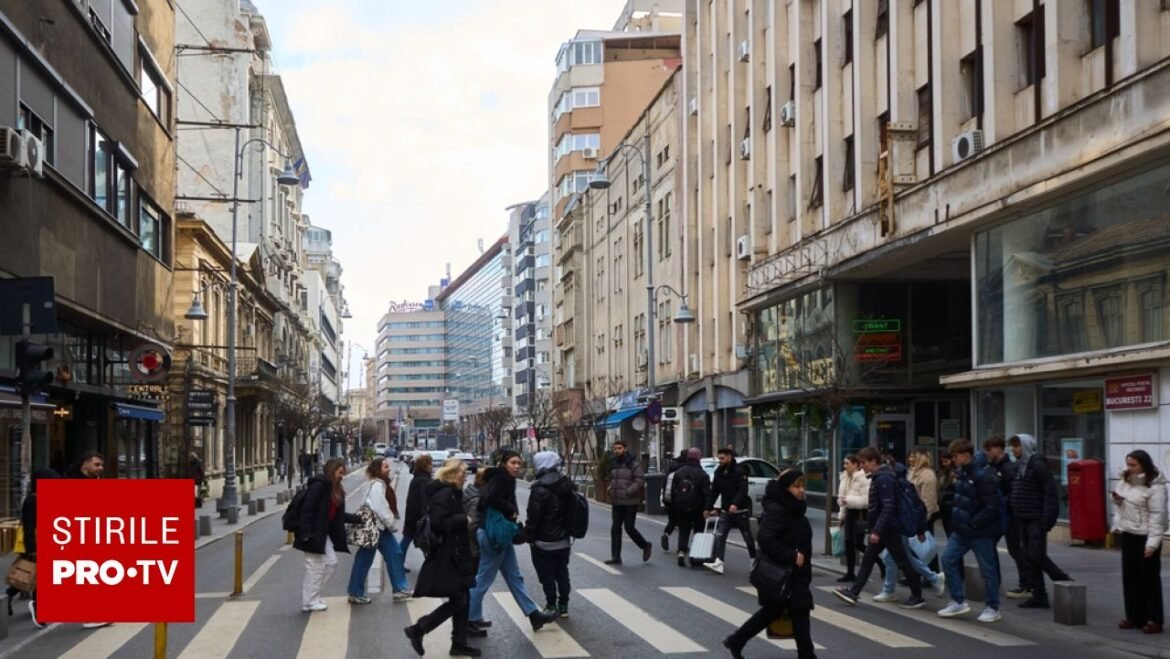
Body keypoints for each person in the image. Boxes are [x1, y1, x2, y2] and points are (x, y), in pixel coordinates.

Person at [723, 469, 816, 659]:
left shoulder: (794, 507)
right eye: (796, 486)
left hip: (794, 572)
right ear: (785, 488)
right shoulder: (778, 509)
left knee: (774, 611)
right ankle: (807, 655)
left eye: (802, 485)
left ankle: (736, 640)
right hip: (783, 571)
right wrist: (791, 556)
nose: (801, 490)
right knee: (799, 611)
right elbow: (765, 538)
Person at [468, 450, 557, 632]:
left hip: (500, 535)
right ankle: (467, 618)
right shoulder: (502, 478)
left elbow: (486, 501)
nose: (517, 466)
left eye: (519, 463)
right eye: (513, 463)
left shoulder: (500, 477)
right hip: (494, 536)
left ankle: (533, 614)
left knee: (514, 576)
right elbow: (490, 499)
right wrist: (510, 510)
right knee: (483, 579)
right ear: (504, 464)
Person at [832, 446, 925, 609]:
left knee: (902, 561)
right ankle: (853, 592)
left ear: (873, 462)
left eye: (864, 463)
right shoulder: (881, 477)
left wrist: (877, 531)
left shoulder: (884, 479)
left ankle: (917, 595)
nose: (862, 466)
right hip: (884, 528)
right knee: (869, 560)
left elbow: (888, 507)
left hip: (888, 529)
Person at [405, 458, 480, 657]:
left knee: (463, 597)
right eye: (463, 473)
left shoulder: (453, 492)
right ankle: (419, 629)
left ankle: (459, 642)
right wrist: (463, 519)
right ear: (453, 474)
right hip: (449, 554)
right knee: (460, 600)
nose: (465, 477)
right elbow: (438, 523)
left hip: (457, 553)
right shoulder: (445, 494)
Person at [937, 439, 1004, 623]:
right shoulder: (961, 473)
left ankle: (993, 607)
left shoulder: (982, 476)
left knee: (987, 570)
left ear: (966, 455)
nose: (953, 460)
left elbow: (991, 506)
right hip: (961, 530)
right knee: (948, 559)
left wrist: (974, 523)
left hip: (980, 532)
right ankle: (957, 600)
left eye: (956, 456)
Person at [1009, 433, 1071, 608]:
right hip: (1023, 517)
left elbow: (1050, 493)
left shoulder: (1037, 465)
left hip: (1036, 518)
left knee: (1036, 555)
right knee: (1030, 557)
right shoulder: (1020, 466)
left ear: (1026, 446)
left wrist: (1047, 520)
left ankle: (1060, 577)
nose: (1014, 450)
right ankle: (1039, 595)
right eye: (1013, 446)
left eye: (1017, 446)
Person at [873, 456, 946, 602]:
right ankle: (890, 589)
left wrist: (920, 529)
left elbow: (918, 507)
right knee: (893, 557)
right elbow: (918, 507)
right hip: (901, 527)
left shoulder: (899, 485)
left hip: (899, 527)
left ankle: (931, 579)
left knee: (901, 557)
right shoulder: (904, 484)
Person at [1112, 449, 1167, 634]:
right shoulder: (1126, 480)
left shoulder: (1155, 486)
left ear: (1144, 465)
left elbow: (1158, 517)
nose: (1130, 468)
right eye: (1128, 464)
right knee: (1130, 577)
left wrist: (1152, 544)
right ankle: (1133, 616)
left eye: (1133, 465)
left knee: (1149, 578)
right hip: (1128, 533)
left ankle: (1153, 619)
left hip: (1145, 535)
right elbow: (1120, 501)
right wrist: (1117, 499)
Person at [295, 457, 360, 612]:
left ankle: (311, 597)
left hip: (323, 534)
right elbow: (307, 509)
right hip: (313, 533)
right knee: (314, 567)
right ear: (332, 471)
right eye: (340, 472)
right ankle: (310, 601)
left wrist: (358, 519)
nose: (342, 476)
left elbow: (338, 515)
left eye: (343, 473)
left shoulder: (335, 490)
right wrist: (305, 532)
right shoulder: (320, 486)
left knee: (330, 563)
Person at [346, 457, 412, 604]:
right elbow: (380, 507)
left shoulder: (377, 484)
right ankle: (357, 592)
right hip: (377, 527)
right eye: (385, 467)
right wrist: (391, 524)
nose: (389, 469)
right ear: (378, 470)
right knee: (389, 555)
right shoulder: (377, 485)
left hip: (377, 527)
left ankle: (398, 589)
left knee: (388, 555)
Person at [524, 450, 575, 617]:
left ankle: (551, 604)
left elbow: (534, 516)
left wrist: (528, 535)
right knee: (562, 572)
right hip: (564, 540)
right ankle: (564, 605)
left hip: (543, 541)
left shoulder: (539, 489)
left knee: (547, 575)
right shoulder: (567, 484)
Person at [7, 469, 57, 627]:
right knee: (37, 576)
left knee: (29, 575)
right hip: (35, 544)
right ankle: (38, 607)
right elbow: (29, 527)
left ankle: (7, 597)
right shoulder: (33, 501)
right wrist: (32, 549)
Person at [983, 436, 1027, 599]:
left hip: (1009, 515)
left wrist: (1004, 504)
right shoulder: (993, 467)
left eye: (989, 450)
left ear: (998, 449)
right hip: (999, 515)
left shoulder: (1008, 468)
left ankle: (1026, 584)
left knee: (1016, 549)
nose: (987, 453)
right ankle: (996, 580)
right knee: (991, 545)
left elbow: (1013, 492)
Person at [704, 447, 757, 574]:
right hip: (725, 510)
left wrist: (735, 504)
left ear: (729, 457)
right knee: (720, 536)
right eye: (719, 458)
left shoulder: (739, 471)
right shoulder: (719, 472)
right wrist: (707, 507)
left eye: (722, 458)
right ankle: (719, 562)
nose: (720, 461)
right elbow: (714, 491)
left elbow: (743, 490)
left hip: (740, 510)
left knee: (747, 536)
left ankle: (754, 559)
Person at [606, 440, 652, 565]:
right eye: (615, 448)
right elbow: (614, 479)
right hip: (617, 500)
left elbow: (640, 480)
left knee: (629, 528)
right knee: (615, 528)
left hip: (630, 501)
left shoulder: (633, 463)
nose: (617, 451)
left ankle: (645, 545)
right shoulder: (615, 463)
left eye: (619, 448)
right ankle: (616, 557)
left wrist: (629, 491)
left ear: (625, 449)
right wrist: (610, 488)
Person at [668, 447, 712, 567]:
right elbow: (707, 493)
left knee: (683, 530)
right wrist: (707, 508)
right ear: (699, 458)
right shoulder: (702, 474)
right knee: (698, 530)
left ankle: (681, 552)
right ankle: (695, 556)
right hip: (698, 507)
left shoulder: (679, 472)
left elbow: (673, 491)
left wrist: (675, 505)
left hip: (682, 506)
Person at [836, 453, 869, 582]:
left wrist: (849, 500)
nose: (845, 466)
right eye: (844, 463)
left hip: (859, 514)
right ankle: (850, 573)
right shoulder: (844, 477)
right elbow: (842, 498)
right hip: (849, 513)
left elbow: (866, 501)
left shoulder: (862, 478)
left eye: (847, 464)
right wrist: (841, 516)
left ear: (856, 465)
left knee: (858, 544)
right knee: (848, 543)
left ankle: (880, 563)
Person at [401, 453, 435, 564]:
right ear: (426, 466)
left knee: (407, 540)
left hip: (412, 515)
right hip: (418, 517)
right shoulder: (424, 480)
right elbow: (424, 501)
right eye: (430, 464)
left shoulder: (417, 478)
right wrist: (426, 516)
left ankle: (398, 562)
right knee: (426, 540)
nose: (432, 466)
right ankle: (398, 563)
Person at [660, 449, 690, 551]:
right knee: (683, 524)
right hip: (682, 499)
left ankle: (666, 534)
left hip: (670, 499)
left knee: (672, 521)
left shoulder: (672, 468)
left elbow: (665, 483)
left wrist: (665, 499)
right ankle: (682, 545)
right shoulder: (686, 469)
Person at [464, 467, 487, 573]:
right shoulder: (477, 499)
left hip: (468, 546)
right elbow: (473, 526)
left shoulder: (469, 491)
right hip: (473, 547)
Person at [935, 450, 956, 538]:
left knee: (951, 529)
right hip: (943, 505)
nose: (944, 464)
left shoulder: (955, 473)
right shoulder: (941, 473)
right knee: (947, 527)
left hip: (952, 504)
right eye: (942, 462)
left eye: (946, 461)